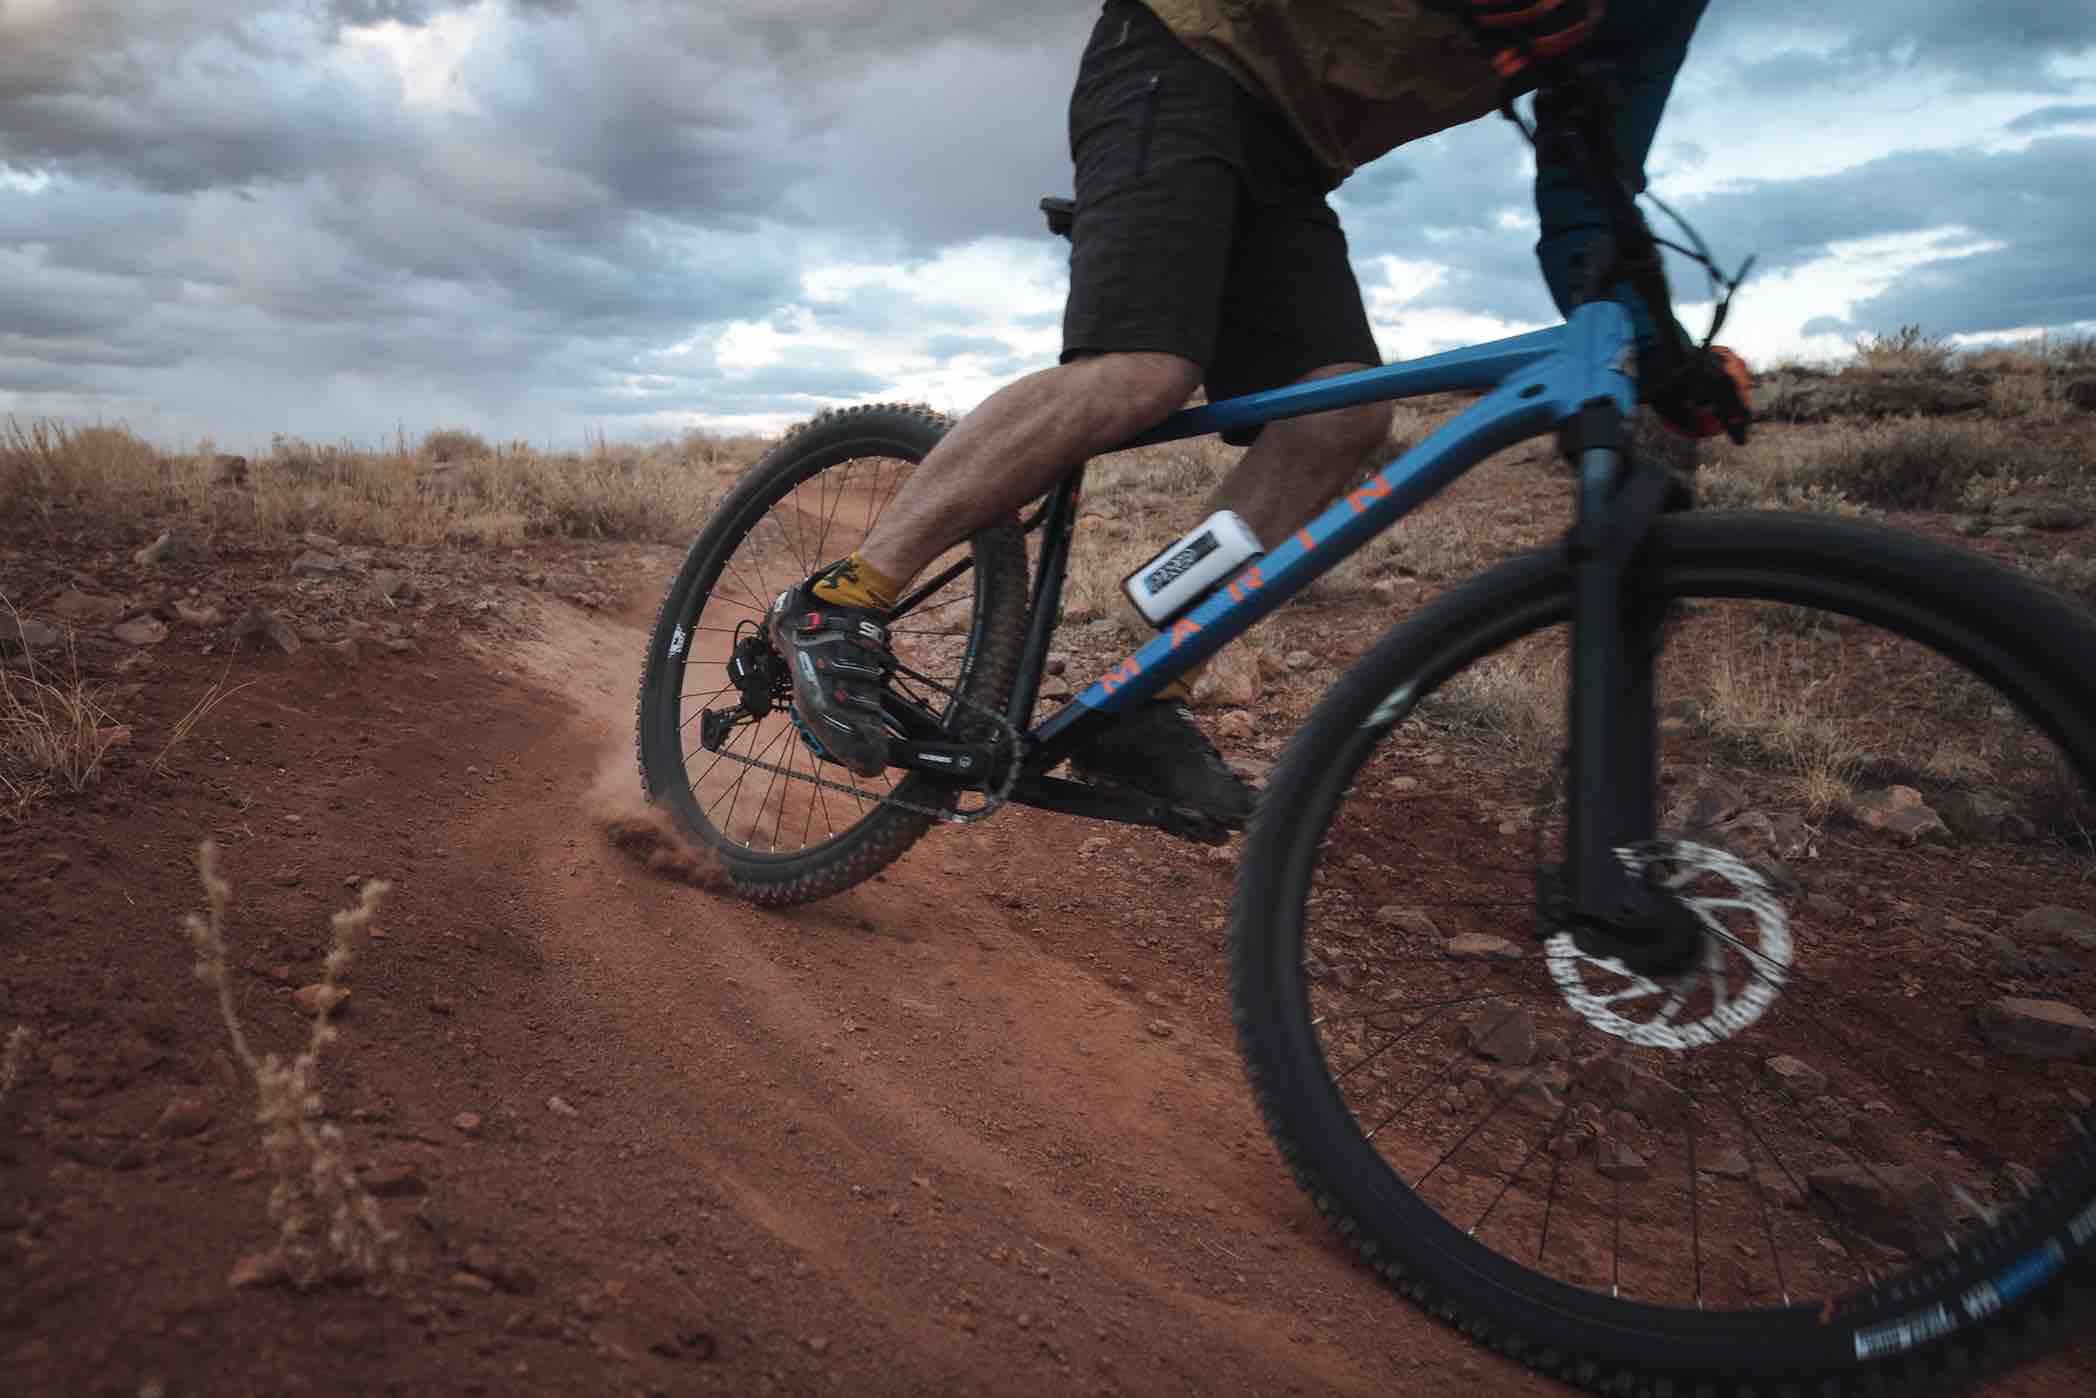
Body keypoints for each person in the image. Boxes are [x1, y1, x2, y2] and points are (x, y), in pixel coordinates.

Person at [770, 0, 1731, 825]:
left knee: (1339, 423)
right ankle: (835, 604)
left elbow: (1591, 188)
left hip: (1294, 156)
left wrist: (1656, 349)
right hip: (1182, 50)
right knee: (1142, 371)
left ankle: (1143, 694)